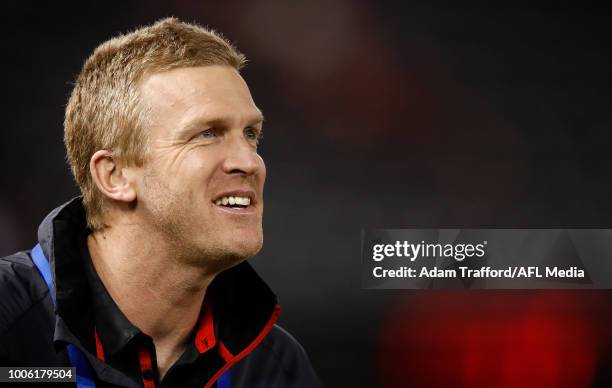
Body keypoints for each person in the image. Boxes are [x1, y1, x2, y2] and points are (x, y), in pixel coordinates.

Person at [0, 18, 320, 388]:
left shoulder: (271, 366)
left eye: (251, 135)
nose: (249, 162)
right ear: (114, 175)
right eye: (207, 133)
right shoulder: (9, 323)